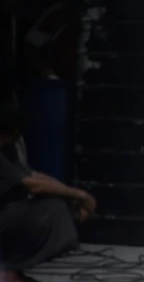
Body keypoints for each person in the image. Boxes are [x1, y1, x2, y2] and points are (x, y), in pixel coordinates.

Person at [0, 97, 93, 282]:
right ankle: (12, 269)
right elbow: (34, 184)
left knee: (56, 203)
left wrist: (73, 193)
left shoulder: (7, 149)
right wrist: (79, 194)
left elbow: (33, 175)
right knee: (49, 210)